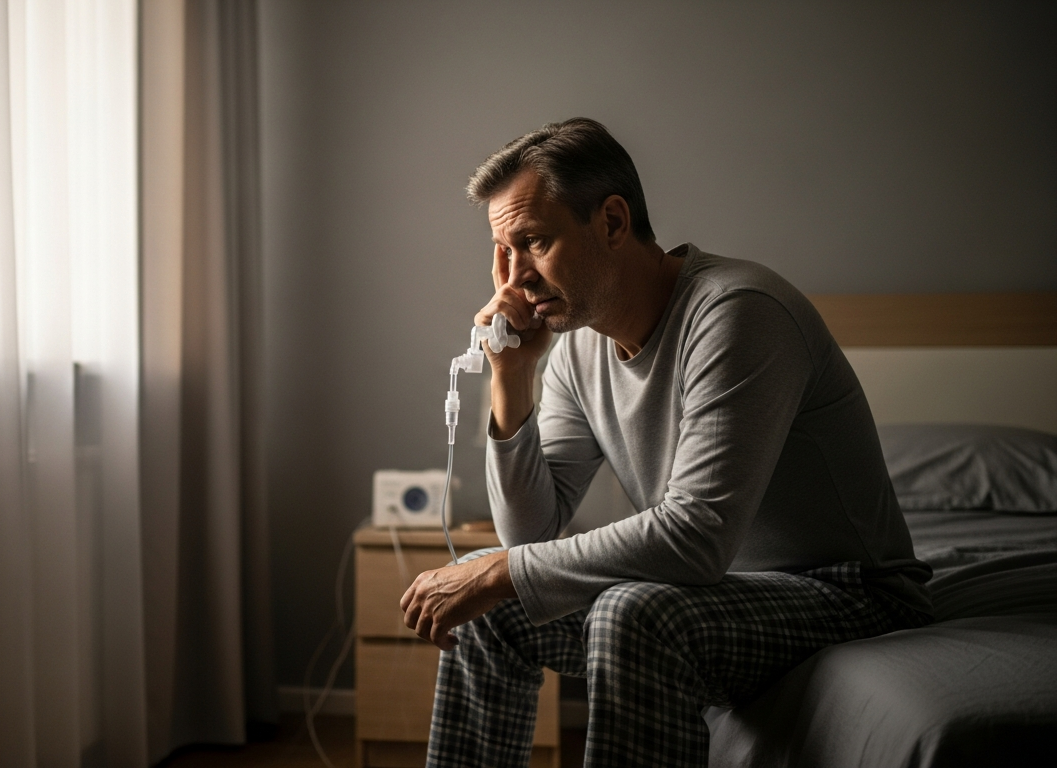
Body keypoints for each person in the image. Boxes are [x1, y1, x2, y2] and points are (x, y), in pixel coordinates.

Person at [397, 118, 932, 767]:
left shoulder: (738, 312)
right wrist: (513, 377)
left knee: (627, 609)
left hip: (848, 594)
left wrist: (501, 572)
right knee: (487, 604)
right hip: (709, 595)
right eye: (502, 252)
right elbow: (528, 538)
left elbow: (698, 536)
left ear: (612, 222)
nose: (514, 280)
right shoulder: (576, 354)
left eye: (533, 242)